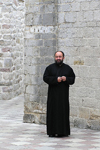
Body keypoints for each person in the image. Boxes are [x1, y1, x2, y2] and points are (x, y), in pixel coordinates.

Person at [43, 51, 75, 137]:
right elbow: (45, 78)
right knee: (52, 112)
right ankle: (52, 132)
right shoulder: (49, 68)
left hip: (63, 96)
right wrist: (56, 80)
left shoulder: (68, 68)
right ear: (54, 57)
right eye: (57, 57)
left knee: (63, 112)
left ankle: (63, 132)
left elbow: (72, 79)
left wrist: (66, 79)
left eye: (60, 57)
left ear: (63, 58)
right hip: (52, 96)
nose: (58, 58)